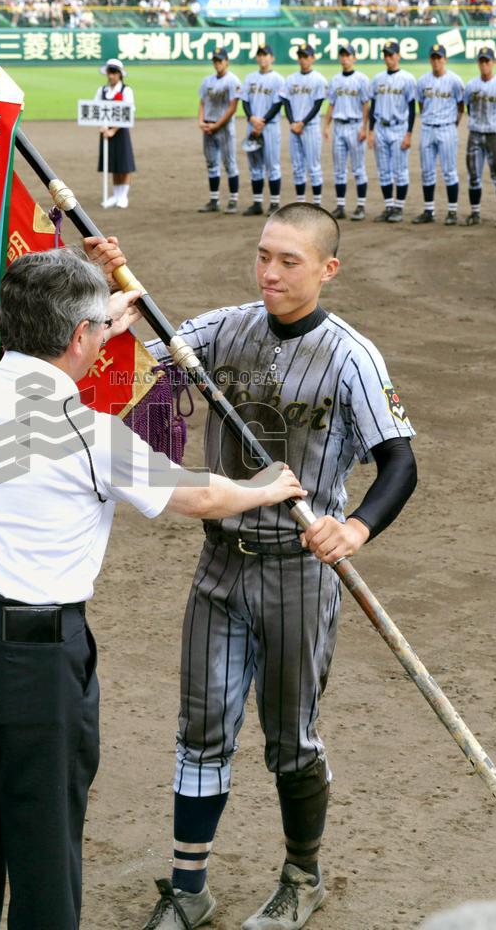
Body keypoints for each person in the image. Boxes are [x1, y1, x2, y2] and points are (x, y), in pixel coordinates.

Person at [0, 247, 307, 930]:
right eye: (94, 328)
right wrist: (265, 487)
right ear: (77, 337)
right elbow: (196, 495)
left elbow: (32, 400)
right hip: (30, 663)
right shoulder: (90, 436)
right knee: (43, 855)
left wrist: (103, 322)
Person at [90, 204, 418, 930]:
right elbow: (144, 346)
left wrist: (357, 527)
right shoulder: (223, 329)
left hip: (298, 575)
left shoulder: (351, 356)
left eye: (289, 261)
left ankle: (303, 875)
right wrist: (107, 277)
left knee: (289, 736)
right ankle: (188, 889)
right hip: (219, 567)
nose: (269, 272)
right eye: (263, 255)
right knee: (201, 729)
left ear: (328, 269)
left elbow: (400, 460)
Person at [413, 42, 464, 225]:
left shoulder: (455, 81)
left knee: (449, 172)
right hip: (427, 128)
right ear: (430, 60)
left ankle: (452, 211)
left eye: (439, 58)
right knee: (427, 172)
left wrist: (452, 124)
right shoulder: (423, 81)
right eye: (433, 58)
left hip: (447, 128)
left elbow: (460, 106)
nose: (436, 62)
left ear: (445, 59)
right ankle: (429, 211)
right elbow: (421, 104)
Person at [463, 47, 496, 227]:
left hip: (494, 134)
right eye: (482, 61)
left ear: (494, 62)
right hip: (475, 134)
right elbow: (469, 108)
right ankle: (475, 213)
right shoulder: (471, 85)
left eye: (487, 61)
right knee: (473, 175)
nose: (484, 64)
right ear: (478, 63)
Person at [368, 41, 416, 223]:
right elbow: (373, 106)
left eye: (391, 54)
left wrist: (409, 133)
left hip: (399, 127)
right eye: (386, 55)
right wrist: (370, 131)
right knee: (384, 171)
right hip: (381, 127)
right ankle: (389, 206)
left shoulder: (408, 79)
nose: (388, 58)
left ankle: (399, 208)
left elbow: (412, 108)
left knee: (400, 170)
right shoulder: (377, 79)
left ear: (398, 56)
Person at [323, 42, 370, 221]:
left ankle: (361, 206)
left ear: (354, 58)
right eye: (342, 55)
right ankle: (340, 206)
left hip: (355, 125)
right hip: (339, 127)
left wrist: (364, 127)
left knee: (358, 169)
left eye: (348, 55)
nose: (345, 58)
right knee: (339, 170)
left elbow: (366, 104)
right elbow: (331, 104)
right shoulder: (335, 80)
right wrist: (326, 125)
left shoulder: (362, 79)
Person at [240, 43, 286, 216]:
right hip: (252, 125)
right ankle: (257, 203)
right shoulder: (250, 77)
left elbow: (277, 103)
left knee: (272, 165)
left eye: (265, 54)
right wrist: (252, 118)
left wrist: (262, 121)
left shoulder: (278, 79)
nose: (262, 58)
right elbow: (244, 100)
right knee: (255, 166)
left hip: (270, 127)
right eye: (259, 55)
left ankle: (274, 203)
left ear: (272, 58)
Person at [198, 47, 242, 214]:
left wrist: (217, 125)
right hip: (208, 126)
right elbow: (202, 102)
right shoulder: (207, 81)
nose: (217, 63)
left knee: (230, 163)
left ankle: (233, 200)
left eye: (220, 60)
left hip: (223, 127)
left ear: (227, 61)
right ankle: (214, 200)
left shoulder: (232, 81)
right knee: (211, 164)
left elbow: (232, 108)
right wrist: (201, 121)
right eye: (215, 61)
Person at [285, 44, 328, 205]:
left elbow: (317, 105)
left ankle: (317, 203)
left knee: (313, 167)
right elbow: (286, 102)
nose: (303, 60)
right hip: (294, 128)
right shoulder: (290, 79)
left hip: (309, 128)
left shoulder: (319, 80)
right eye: (301, 56)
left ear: (313, 58)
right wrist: (292, 122)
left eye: (306, 56)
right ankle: (301, 203)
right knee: (297, 168)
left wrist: (302, 122)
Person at [95, 58, 136, 209]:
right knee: (112, 163)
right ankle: (116, 194)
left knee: (123, 164)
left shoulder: (126, 90)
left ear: (120, 74)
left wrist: (113, 129)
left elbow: (128, 112)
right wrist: (103, 126)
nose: (111, 76)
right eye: (109, 72)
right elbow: (96, 109)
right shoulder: (102, 90)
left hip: (120, 131)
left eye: (114, 73)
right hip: (106, 131)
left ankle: (123, 195)